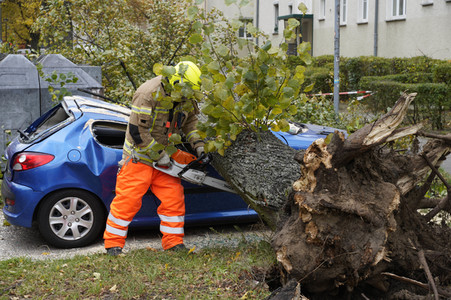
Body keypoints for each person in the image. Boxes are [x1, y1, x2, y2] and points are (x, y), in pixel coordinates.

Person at [103, 61, 205, 255]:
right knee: (127, 201)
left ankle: (173, 243)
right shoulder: (148, 94)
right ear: (176, 83)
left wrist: (198, 145)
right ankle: (113, 244)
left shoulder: (185, 96)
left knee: (173, 200)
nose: (188, 95)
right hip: (139, 157)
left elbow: (190, 123)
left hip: (165, 158)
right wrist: (157, 154)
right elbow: (137, 131)